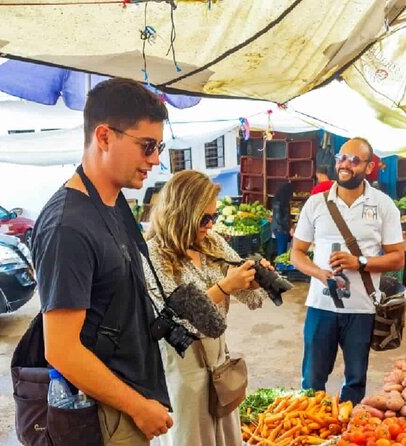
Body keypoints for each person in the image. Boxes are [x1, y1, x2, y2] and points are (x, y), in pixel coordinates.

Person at [32, 78, 173, 445]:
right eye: (146, 146)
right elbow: (61, 350)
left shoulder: (112, 202)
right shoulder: (68, 226)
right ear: (105, 136)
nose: (155, 159)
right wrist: (138, 407)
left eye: (158, 146)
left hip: (123, 404)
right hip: (100, 416)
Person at [144, 170, 270, 446]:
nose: (210, 225)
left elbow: (251, 300)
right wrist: (226, 286)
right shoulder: (153, 254)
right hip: (182, 357)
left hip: (218, 353)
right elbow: (173, 317)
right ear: (180, 212)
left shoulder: (211, 242)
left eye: (213, 217)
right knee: (190, 435)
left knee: (225, 432)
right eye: (204, 218)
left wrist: (254, 281)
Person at [290, 137, 405, 404]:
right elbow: (297, 252)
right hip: (321, 306)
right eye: (342, 157)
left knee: (355, 380)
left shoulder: (383, 204)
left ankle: (348, 430)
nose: (345, 165)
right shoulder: (316, 203)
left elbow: (397, 258)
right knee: (312, 379)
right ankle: (312, 429)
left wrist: (360, 262)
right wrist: (319, 273)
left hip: (362, 308)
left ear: (369, 167)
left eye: (355, 161)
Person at [271, 181, 293, 256]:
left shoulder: (279, 201)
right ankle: (279, 266)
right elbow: (280, 218)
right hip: (280, 229)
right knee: (282, 251)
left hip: (279, 229)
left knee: (282, 249)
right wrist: (288, 228)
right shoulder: (280, 203)